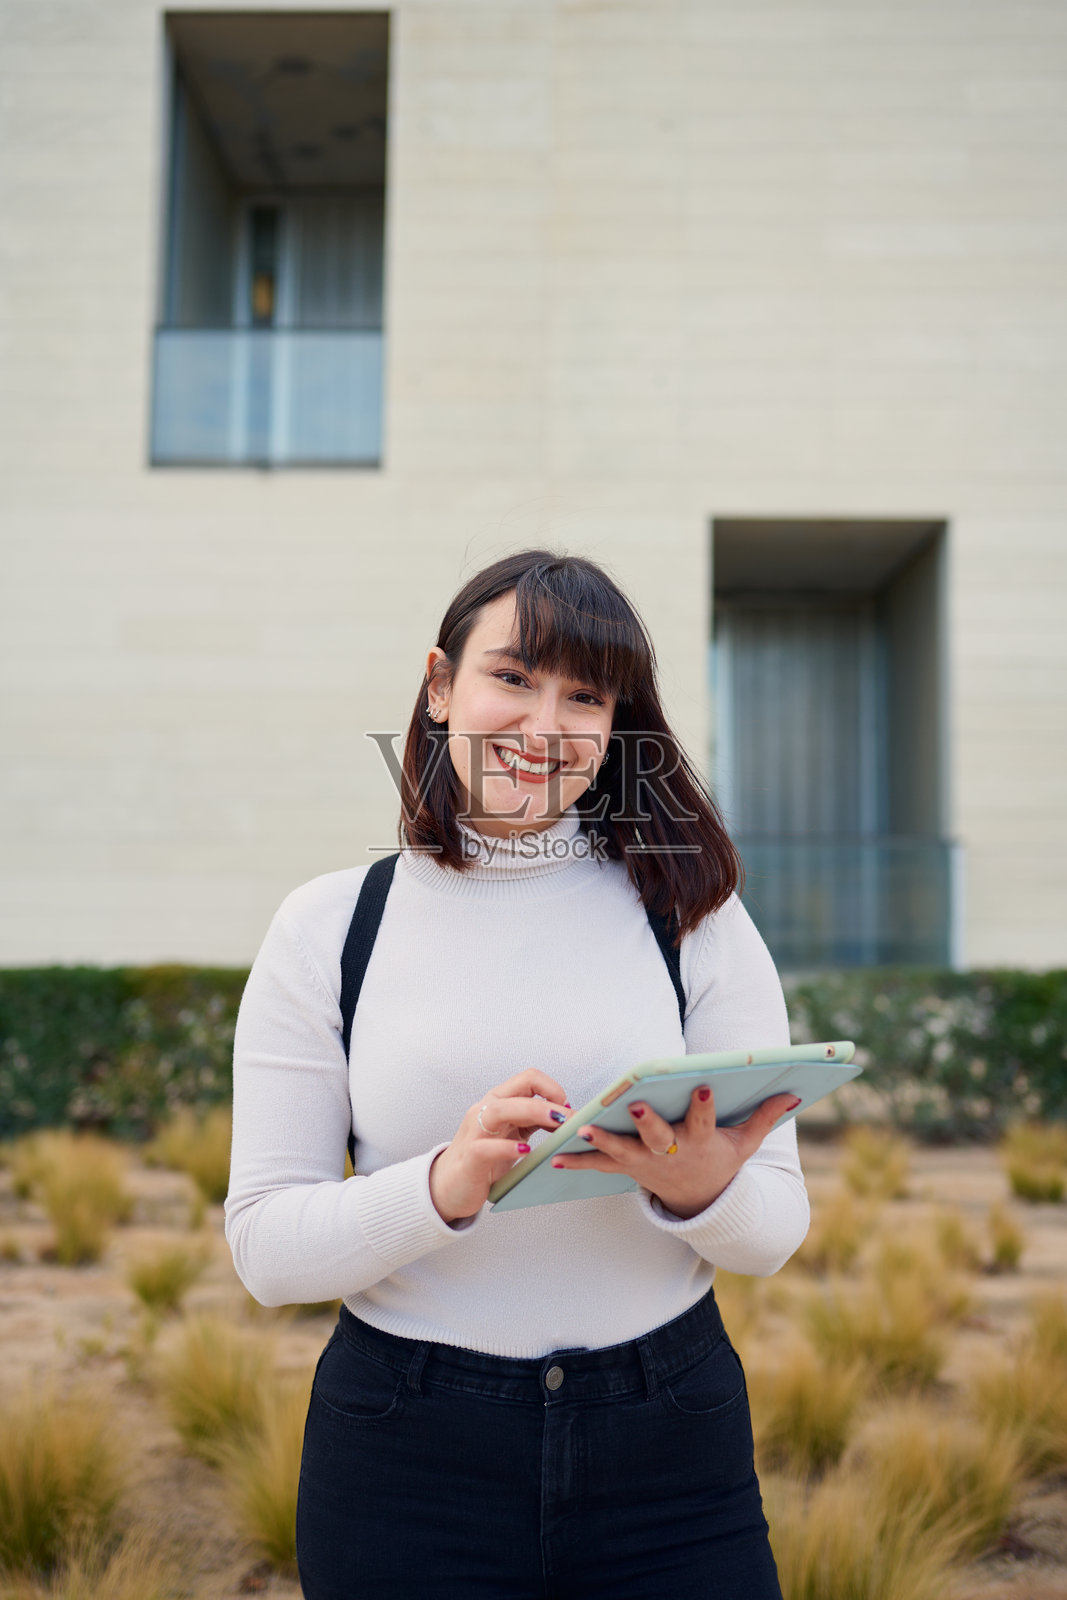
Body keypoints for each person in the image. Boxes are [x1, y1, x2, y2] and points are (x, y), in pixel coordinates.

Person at [224, 549, 809, 1600]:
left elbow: (773, 1232)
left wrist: (698, 1189)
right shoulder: (327, 927)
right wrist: (444, 1185)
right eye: (512, 677)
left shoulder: (691, 914)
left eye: (583, 695)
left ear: (614, 726)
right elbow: (265, 1249)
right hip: (404, 1453)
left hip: (668, 1445)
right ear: (441, 685)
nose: (543, 726)